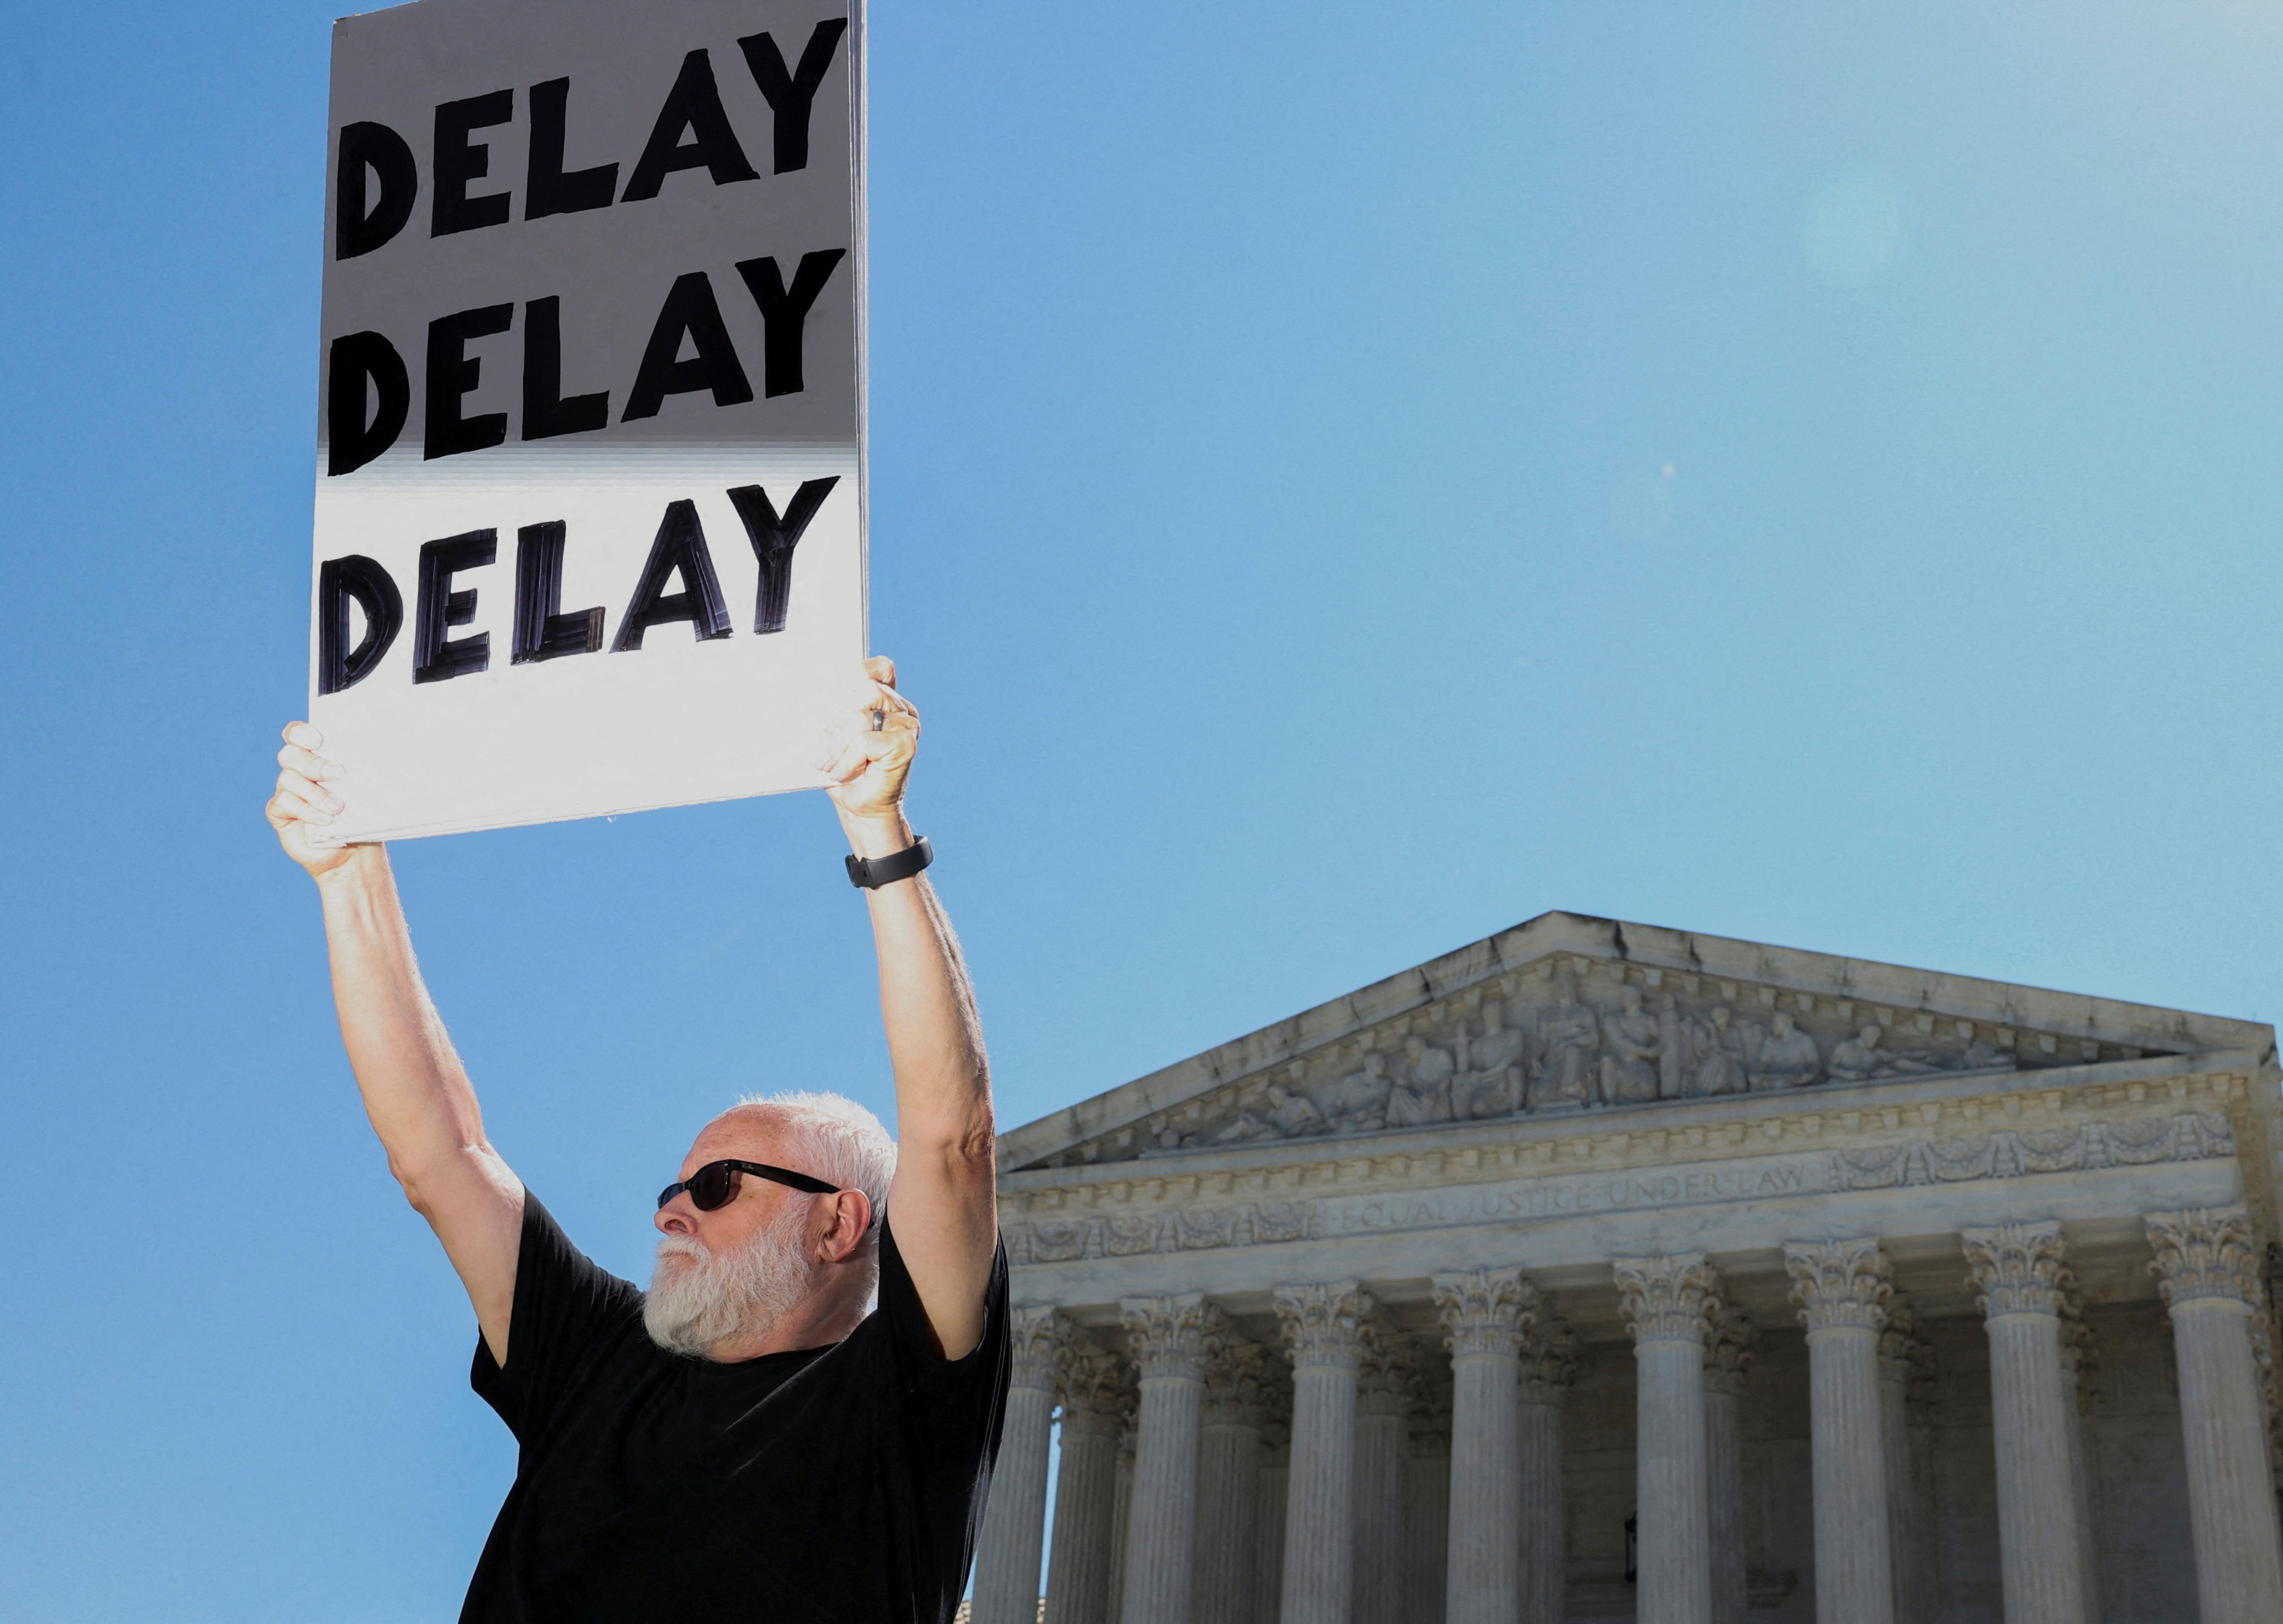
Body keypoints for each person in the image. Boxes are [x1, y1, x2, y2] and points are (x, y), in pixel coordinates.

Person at [263, 658, 1009, 1624]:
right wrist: (346, 868)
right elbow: (441, 1158)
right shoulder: (597, 1361)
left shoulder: (905, 1409)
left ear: (840, 1224)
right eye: (676, 1183)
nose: (669, 1206)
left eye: (719, 1185)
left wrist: (877, 829)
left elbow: (953, 1140)